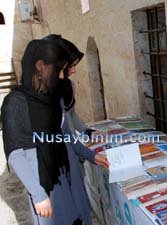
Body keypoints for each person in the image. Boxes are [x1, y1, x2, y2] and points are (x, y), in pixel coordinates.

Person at [1, 40, 108, 225]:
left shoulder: (54, 98)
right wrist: (38, 194)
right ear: (40, 67)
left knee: (80, 218)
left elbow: (67, 135)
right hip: (45, 185)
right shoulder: (15, 103)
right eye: (58, 69)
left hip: (69, 174)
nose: (61, 76)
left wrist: (91, 155)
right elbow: (15, 154)